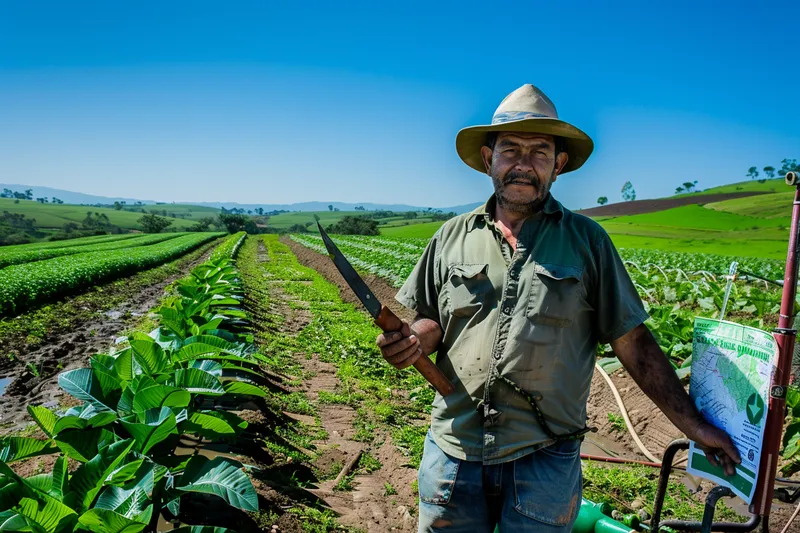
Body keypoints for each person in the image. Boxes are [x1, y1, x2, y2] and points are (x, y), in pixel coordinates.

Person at [375, 84, 741, 532]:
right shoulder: (451, 236)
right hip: (454, 451)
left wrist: (693, 425)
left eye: (540, 152)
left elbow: (633, 343)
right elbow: (432, 318)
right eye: (511, 149)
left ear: (558, 164)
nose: (524, 164)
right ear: (489, 158)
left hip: (543, 459)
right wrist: (415, 339)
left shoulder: (588, 242)